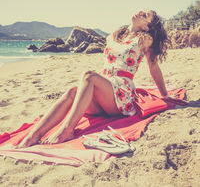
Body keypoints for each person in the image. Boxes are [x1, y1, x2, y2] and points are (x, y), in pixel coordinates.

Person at [18, 10, 170, 148]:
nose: (140, 12)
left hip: (122, 95)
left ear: (147, 26)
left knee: (88, 75)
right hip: (105, 92)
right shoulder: (115, 36)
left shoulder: (145, 39)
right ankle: (33, 136)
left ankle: (67, 129)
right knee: (72, 92)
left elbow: (154, 68)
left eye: (145, 16)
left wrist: (165, 95)